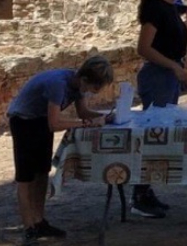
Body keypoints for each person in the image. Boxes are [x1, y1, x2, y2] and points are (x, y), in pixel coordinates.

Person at [8, 56, 114, 244]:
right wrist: (88, 123)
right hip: (24, 121)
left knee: (42, 173)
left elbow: (83, 112)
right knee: (26, 177)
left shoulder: (77, 85)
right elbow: (55, 123)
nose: (93, 93)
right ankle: (29, 227)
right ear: (84, 80)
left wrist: (107, 117)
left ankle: (39, 221)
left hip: (39, 120)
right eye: (94, 89)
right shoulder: (58, 85)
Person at [132, 0, 187, 218]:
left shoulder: (172, 10)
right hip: (158, 77)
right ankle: (139, 193)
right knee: (153, 133)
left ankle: (146, 189)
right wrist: (173, 67)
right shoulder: (156, 8)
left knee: (161, 134)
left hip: (169, 76)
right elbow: (144, 48)